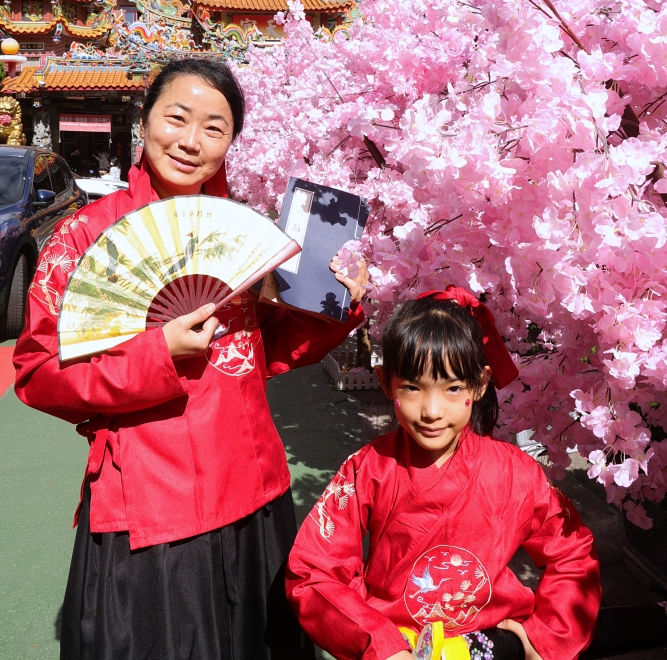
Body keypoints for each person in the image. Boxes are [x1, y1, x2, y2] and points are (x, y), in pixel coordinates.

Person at [14, 56, 368, 660]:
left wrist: (337, 304)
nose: (190, 141)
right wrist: (159, 353)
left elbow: (266, 349)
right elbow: (39, 373)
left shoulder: (239, 231)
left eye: (214, 127)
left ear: (230, 143)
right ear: (145, 119)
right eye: (176, 117)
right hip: (151, 505)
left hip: (254, 492)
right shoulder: (84, 237)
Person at [286, 291, 602, 660]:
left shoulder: (517, 472)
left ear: (480, 384)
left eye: (453, 388)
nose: (432, 410)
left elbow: (573, 552)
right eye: (412, 387)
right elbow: (312, 572)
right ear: (385, 382)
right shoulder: (367, 468)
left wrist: (547, 638)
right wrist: (378, 643)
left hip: (492, 647)